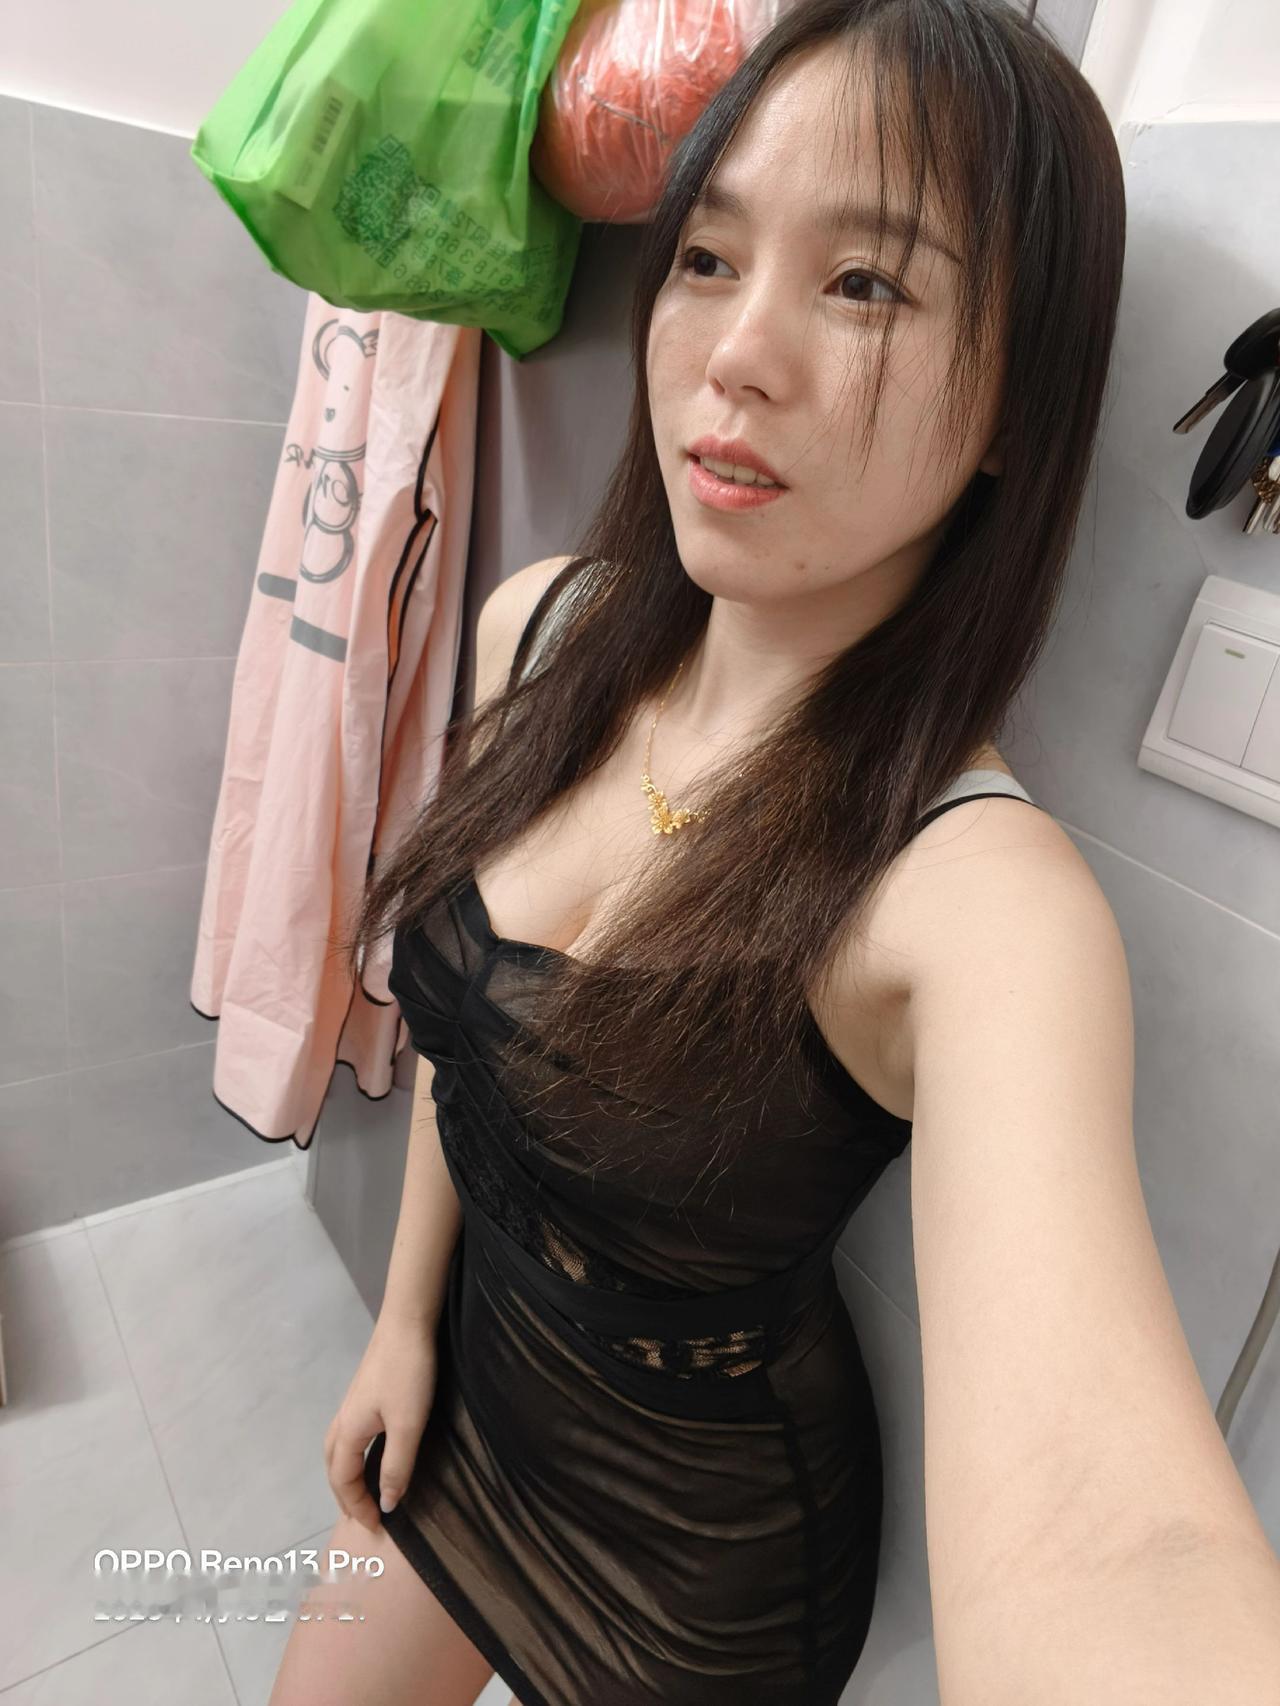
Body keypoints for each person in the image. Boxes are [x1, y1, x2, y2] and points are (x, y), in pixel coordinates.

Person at [270, 1, 1280, 1702]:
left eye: (865, 282)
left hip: (700, 1572)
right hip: (471, 1400)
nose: (734, 353)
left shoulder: (976, 902)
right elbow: (469, 1058)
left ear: (1014, 404)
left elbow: (1122, 1549)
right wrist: (403, 1320)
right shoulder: (539, 630)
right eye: (708, 255)